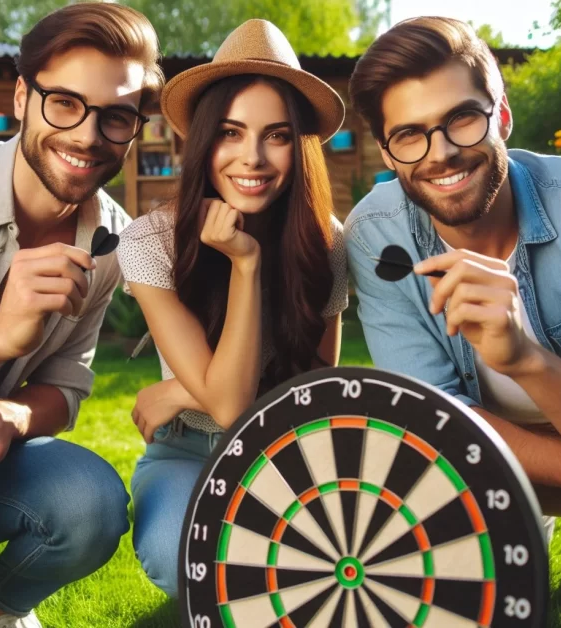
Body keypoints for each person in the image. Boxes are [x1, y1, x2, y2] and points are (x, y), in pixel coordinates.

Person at [117, 19, 349, 598]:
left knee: (324, 567)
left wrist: (175, 390)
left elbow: (315, 386)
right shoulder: (149, 241)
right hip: (184, 453)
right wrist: (245, 265)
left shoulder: (327, 240)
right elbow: (224, 408)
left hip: (288, 446)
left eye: (275, 135)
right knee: (191, 562)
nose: (253, 158)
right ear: (203, 140)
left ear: (299, 146)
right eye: (230, 132)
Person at [0, 4, 163, 626]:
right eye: (65, 102)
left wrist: (11, 412)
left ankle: (3, 602)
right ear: (21, 96)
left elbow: (66, 389)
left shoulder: (111, 245)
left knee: (89, 502)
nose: (88, 136)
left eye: (116, 117)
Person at [345, 15, 561, 574]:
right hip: (493, 460)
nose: (442, 152)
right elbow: (437, 416)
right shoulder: (376, 237)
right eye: (410, 134)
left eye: (463, 119)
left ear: (500, 115)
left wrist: (524, 359)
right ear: (386, 150)